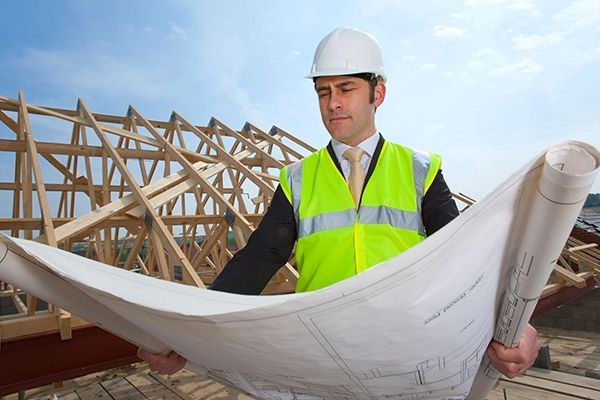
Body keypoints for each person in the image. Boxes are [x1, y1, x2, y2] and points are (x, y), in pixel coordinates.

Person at [138, 27, 540, 379]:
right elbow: (259, 258)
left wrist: (518, 323)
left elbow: (464, 257)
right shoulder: (298, 178)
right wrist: (188, 330)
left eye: (346, 89)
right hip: (327, 353)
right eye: (323, 92)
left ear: (377, 93)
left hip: (407, 346)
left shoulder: (420, 169)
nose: (333, 103)